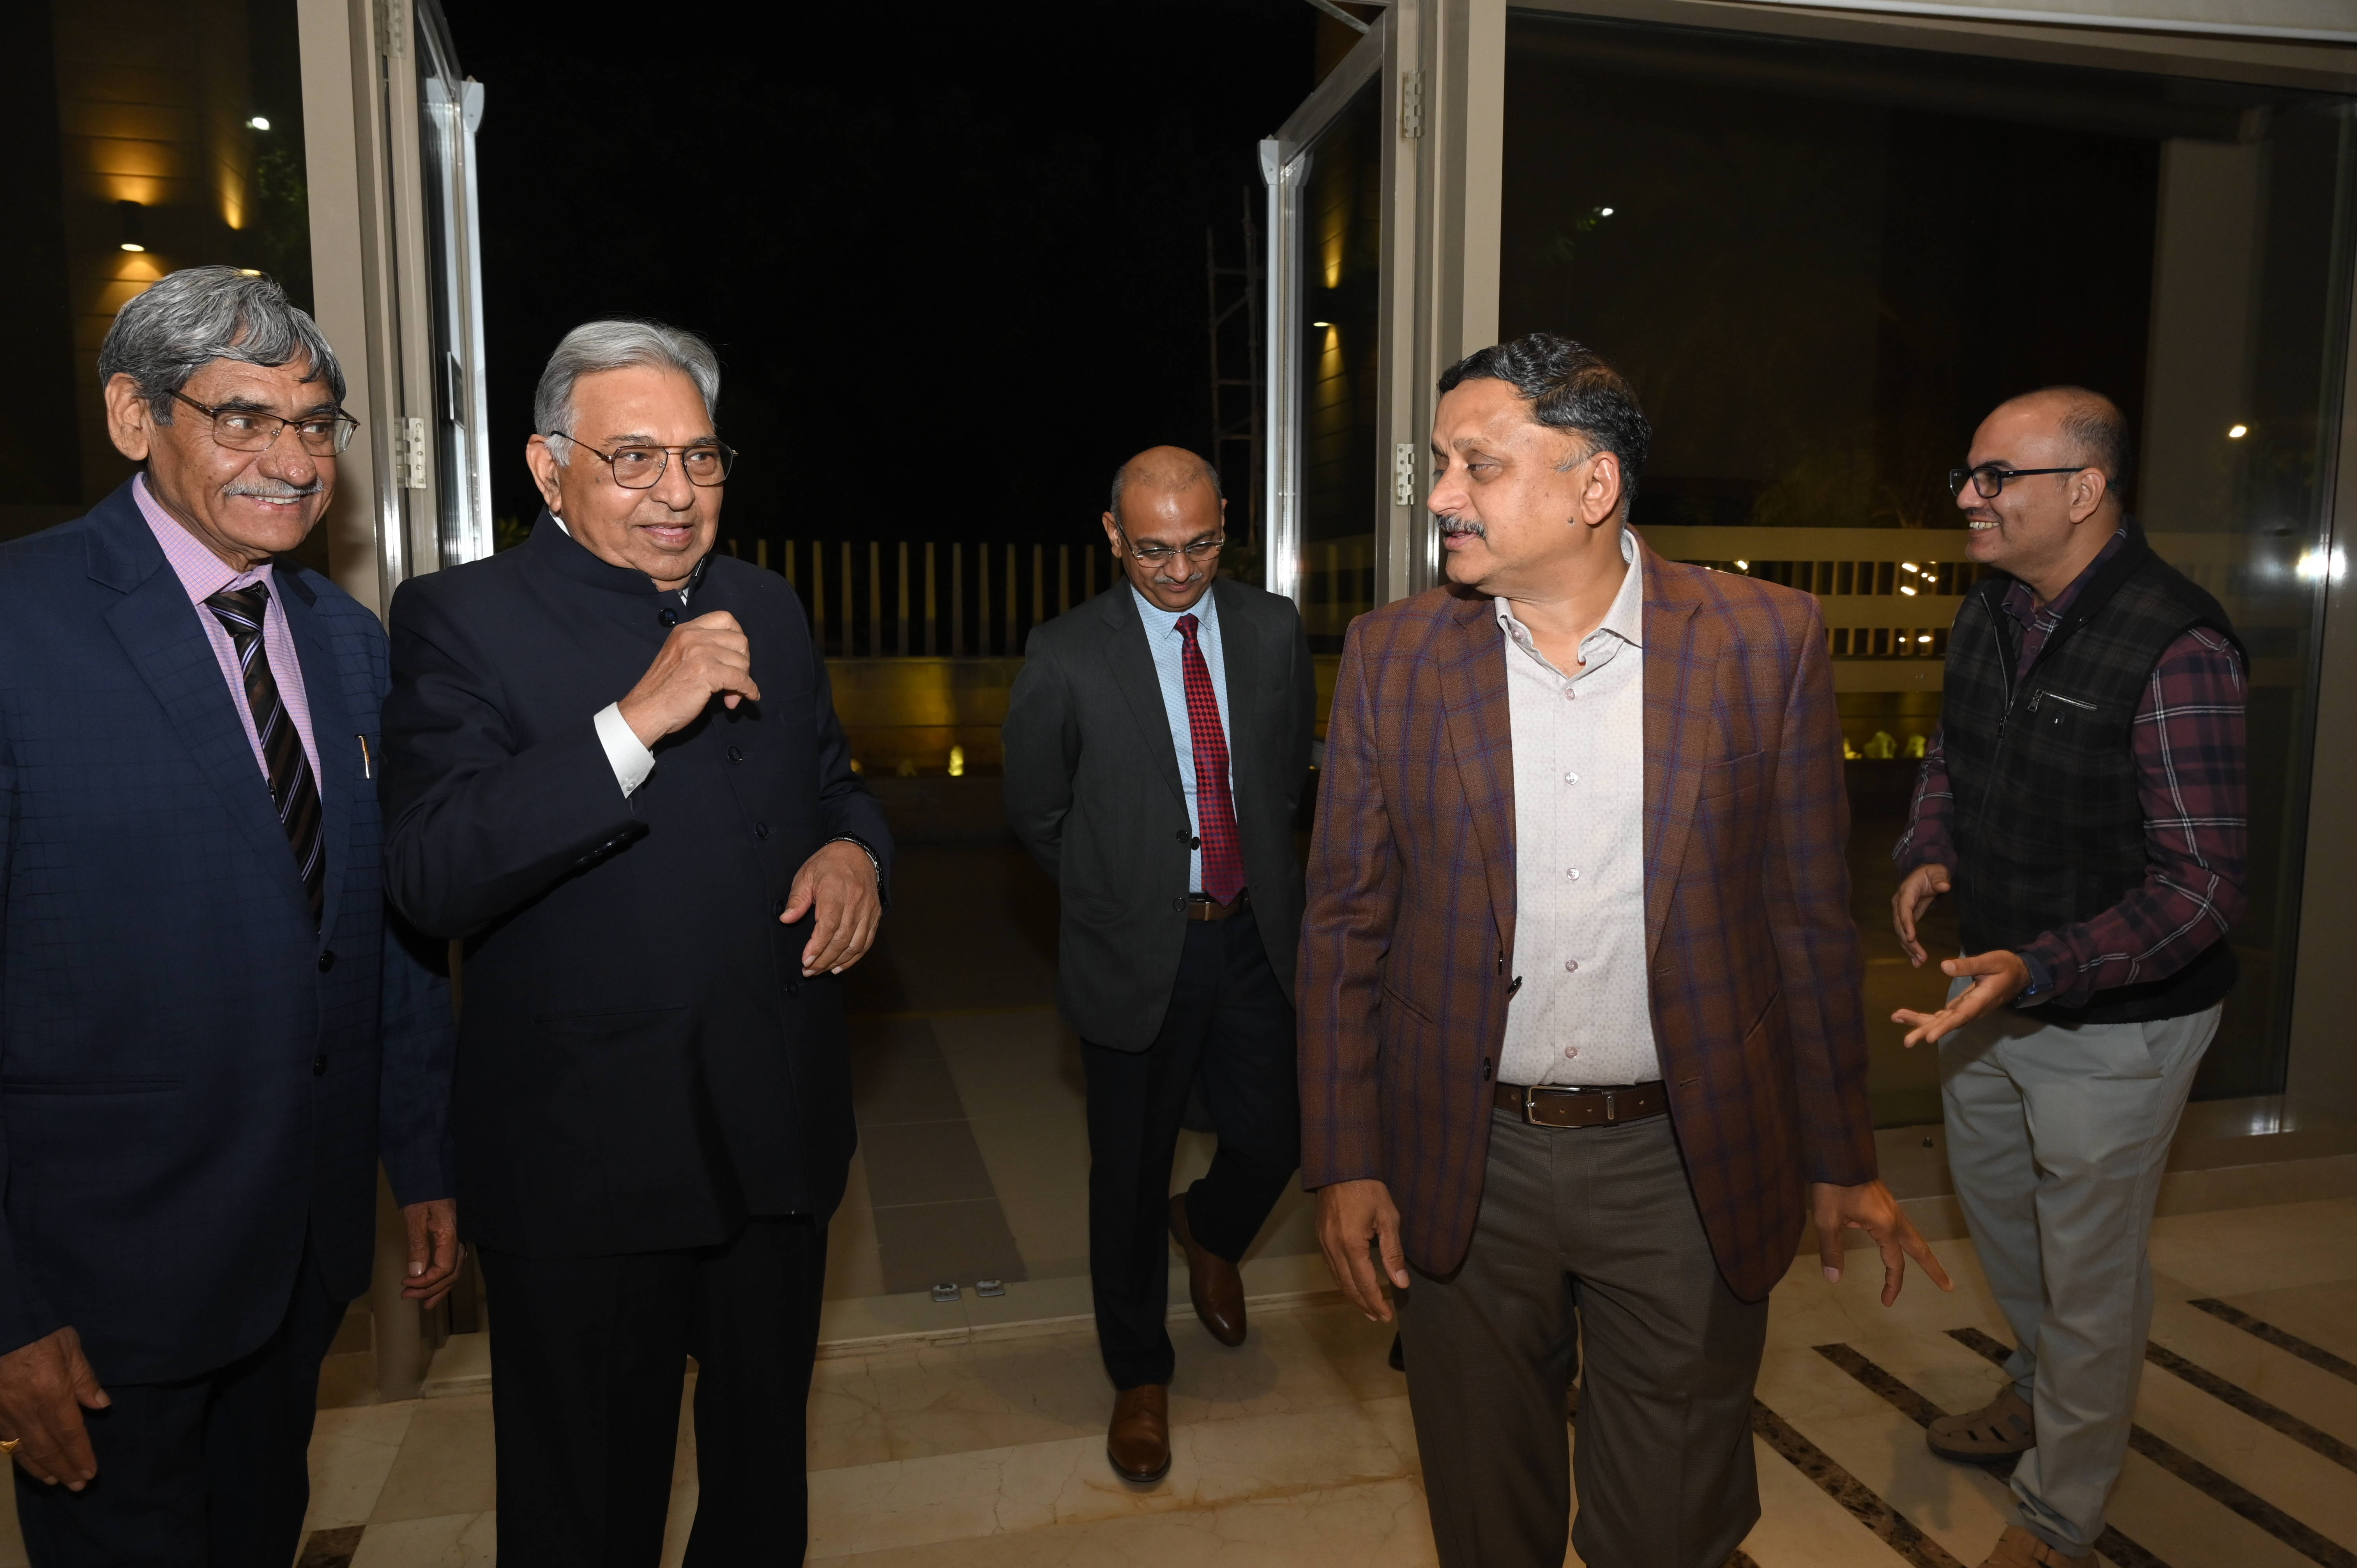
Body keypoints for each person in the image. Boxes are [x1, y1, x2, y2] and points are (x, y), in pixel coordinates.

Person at [1300, 334, 1949, 1568]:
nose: (1443, 497)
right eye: (1441, 464)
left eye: (1479, 466)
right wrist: (1343, 1158)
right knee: (1487, 1519)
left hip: (1686, 1164)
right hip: (1465, 1158)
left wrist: (1840, 1155)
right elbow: (1345, 925)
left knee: (1668, 1529)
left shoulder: (1766, 641)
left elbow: (1807, 921)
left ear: (1593, 485)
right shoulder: (1396, 656)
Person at [380, 320, 890, 1567]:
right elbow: (432, 874)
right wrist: (636, 719)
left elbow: (835, 781)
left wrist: (855, 854)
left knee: (760, 1487)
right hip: (589, 1160)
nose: (677, 492)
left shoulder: (766, 601)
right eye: (635, 459)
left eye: (701, 458)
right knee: (589, 1508)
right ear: (548, 469)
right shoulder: (461, 618)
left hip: (772, 1129)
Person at [0, 265, 458, 1566]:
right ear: (133, 418)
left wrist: (422, 1156)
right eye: (243, 418)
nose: (293, 461)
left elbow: (381, 929)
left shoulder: (346, 641)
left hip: (302, 1247)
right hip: (98, 1277)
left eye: (314, 424)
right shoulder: (20, 624)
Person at [1891, 388, 2246, 1568]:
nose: (1969, 498)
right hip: (1991, 990)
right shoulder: (1992, 607)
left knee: (2090, 1270)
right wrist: (1928, 845)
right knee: (2008, 1225)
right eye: (1969, 473)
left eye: (1997, 478)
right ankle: (2042, 1390)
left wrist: (2039, 966)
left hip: (2121, 1020)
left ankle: (2060, 1513)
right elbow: (1951, 749)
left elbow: (2202, 890)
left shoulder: (2177, 643)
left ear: (2085, 492)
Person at [1002, 447, 1315, 1484]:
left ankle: (1211, 1228)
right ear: (1111, 535)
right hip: (1136, 949)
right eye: (1152, 551)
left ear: (1226, 523)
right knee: (1129, 1175)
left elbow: (1284, 780)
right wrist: (1120, 893)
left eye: (1201, 545)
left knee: (1279, 1135)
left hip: (1255, 935)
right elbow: (1037, 809)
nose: (1179, 571)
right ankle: (1139, 1373)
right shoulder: (1065, 653)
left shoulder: (1272, 630)